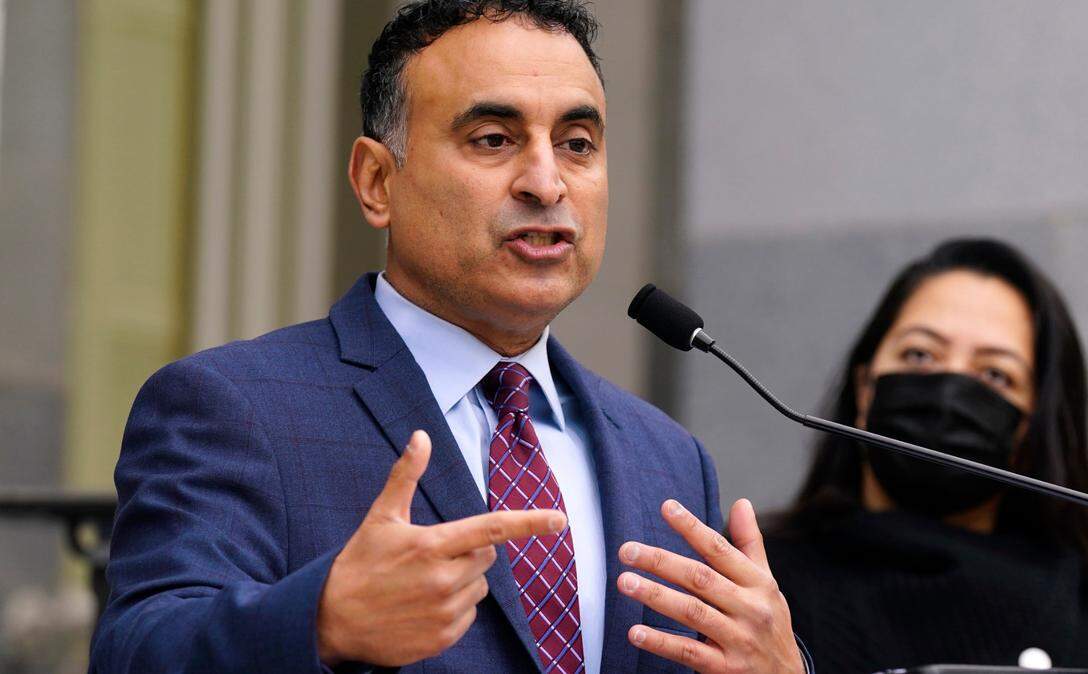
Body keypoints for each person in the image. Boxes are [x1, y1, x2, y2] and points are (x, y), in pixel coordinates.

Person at [89, 2, 811, 673]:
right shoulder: (234, 407)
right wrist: (320, 620)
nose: (546, 182)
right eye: (494, 139)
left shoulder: (668, 457)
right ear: (376, 181)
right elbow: (137, 649)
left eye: (578, 143)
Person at [764, 238, 1088, 673]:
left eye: (994, 375)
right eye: (919, 354)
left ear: (1033, 428)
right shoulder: (759, 583)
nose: (949, 393)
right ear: (864, 389)